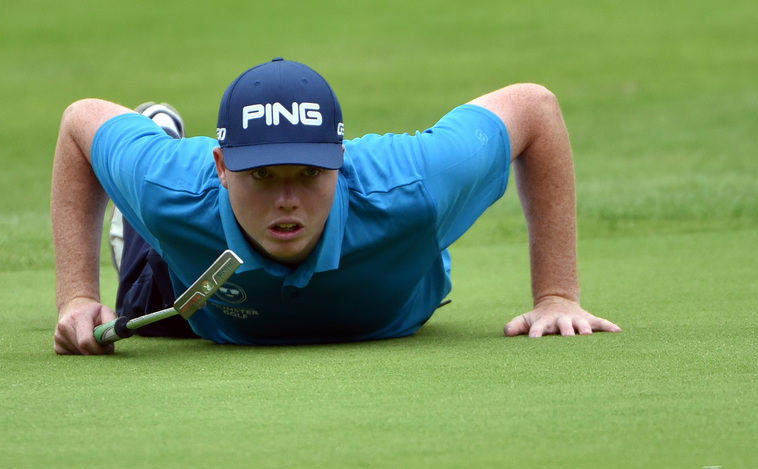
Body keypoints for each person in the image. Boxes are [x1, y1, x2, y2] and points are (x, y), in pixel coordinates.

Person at [52, 58, 620, 355]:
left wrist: (557, 296)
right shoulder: (173, 187)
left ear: (340, 161)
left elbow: (535, 108)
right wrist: (78, 296)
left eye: (308, 173)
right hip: (192, 298)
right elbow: (82, 119)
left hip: (394, 279)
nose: (287, 200)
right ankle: (148, 176)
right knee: (149, 289)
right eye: (261, 177)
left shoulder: (412, 185)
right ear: (223, 169)